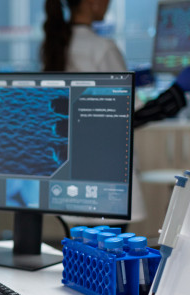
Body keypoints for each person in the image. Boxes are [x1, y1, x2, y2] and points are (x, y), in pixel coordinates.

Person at [41, 0, 190, 227]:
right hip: (106, 178)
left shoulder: (57, 46)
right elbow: (130, 117)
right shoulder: (103, 48)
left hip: (71, 175)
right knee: (111, 255)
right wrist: (177, 92)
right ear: (93, 3)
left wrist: (132, 80)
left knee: (81, 254)